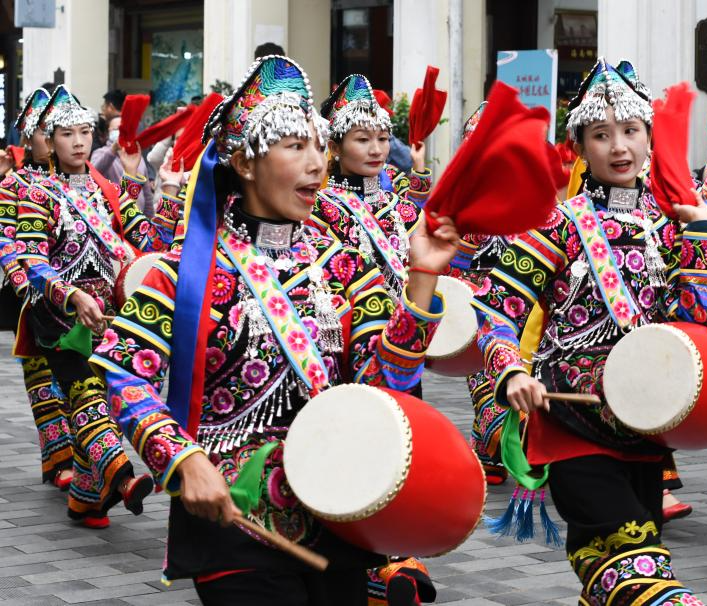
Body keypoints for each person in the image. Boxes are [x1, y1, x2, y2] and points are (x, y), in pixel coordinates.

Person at [89, 55, 458, 605]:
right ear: (244, 161)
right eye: (295, 146)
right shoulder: (185, 273)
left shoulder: (343, 266)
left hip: (337, 513)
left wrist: (423, 279)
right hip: (235, 522)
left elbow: (386, 387)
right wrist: (182, 458)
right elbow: (122, 373)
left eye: (319, 146)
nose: (316, 164)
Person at [473, 57, 707, 604]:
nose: (619, 147)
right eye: (601, 135)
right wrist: (511, 372)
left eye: (630, 131)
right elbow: (497, 310)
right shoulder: (556, 223)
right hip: (571, 421)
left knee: (613, 572)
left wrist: (703, 233)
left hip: (645, 424)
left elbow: (696, 322)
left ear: (649, 137)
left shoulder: (668, 224)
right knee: (639, 566)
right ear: (579, 146)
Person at [16, 86, 179, 527]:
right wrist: (72, 296)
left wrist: (164, 186)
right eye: (67, 134)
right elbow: (31, 260)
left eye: (85, 132)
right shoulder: (35, 192)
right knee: (86, 394)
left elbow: (153, 243)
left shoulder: (107, 190)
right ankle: (123, 478)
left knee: (104, 401)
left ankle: (86, 499)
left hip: (107, 315)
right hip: (58, 319)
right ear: (50, 140)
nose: (78, 142)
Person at [0, 87, 76, 489]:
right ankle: (59, 459)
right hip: (34, 297)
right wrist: (24, 283)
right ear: (30, 139)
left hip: (75, 297)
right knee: (42, 379)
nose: (52, 139)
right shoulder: (13, 184)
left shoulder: (77, 182)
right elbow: (5, 239)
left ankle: (82, 460)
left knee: (77, 382)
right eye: (47, 133)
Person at [311, 74, 426, 299]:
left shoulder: (404, 209)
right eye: (363, 140)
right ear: (334, 148)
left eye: (382, 139)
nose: (376, 150)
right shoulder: (318, 209)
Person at [90, 115, 155, 215]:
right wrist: (113, 150)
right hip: (113, 215)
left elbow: (147, 193)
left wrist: (148, 216)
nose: (120, 133)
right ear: (108, 132)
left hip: (137, 214)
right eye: (116, 129)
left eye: (123, 129)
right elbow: (93, 173)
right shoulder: (100, 153)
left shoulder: (137, 157)